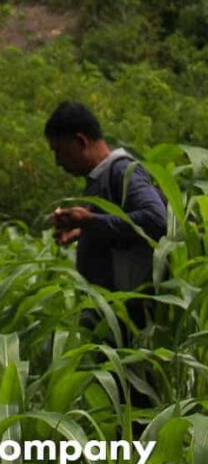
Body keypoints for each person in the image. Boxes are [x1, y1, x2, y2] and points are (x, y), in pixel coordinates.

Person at [44, 101, 167, 333]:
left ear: (81, 141)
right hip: (113, 318)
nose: (57, 161)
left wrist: (90, 221)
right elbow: (123, 229)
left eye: (59, 150)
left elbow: (155, 218)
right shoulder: (101, 179)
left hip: (133, 319)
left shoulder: (121, 171)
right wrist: (83, 230)